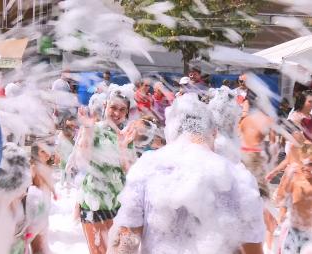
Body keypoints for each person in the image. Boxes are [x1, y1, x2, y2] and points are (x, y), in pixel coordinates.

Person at [108, 94, 265, 254]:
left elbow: (125, 242)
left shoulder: (146, 168)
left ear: (172, 130)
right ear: (214, 132)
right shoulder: (238, 177)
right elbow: (253, 250)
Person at [75, 90, 136, 254]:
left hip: (117, 202)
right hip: (94, 201)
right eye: (113, 107)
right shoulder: (93, 128)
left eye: (122, 109)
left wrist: (123, 148)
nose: (117, 113)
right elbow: (82, 160)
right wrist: (87, 130)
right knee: (100, 252)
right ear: (105, 106)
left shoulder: (125, 135)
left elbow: (129, 171)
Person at [275, 118, 312, 254]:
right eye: (305, 164)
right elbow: (282, 199)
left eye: (311, 164)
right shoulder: (296, 179)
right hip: (293, 230)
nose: (307, 168)